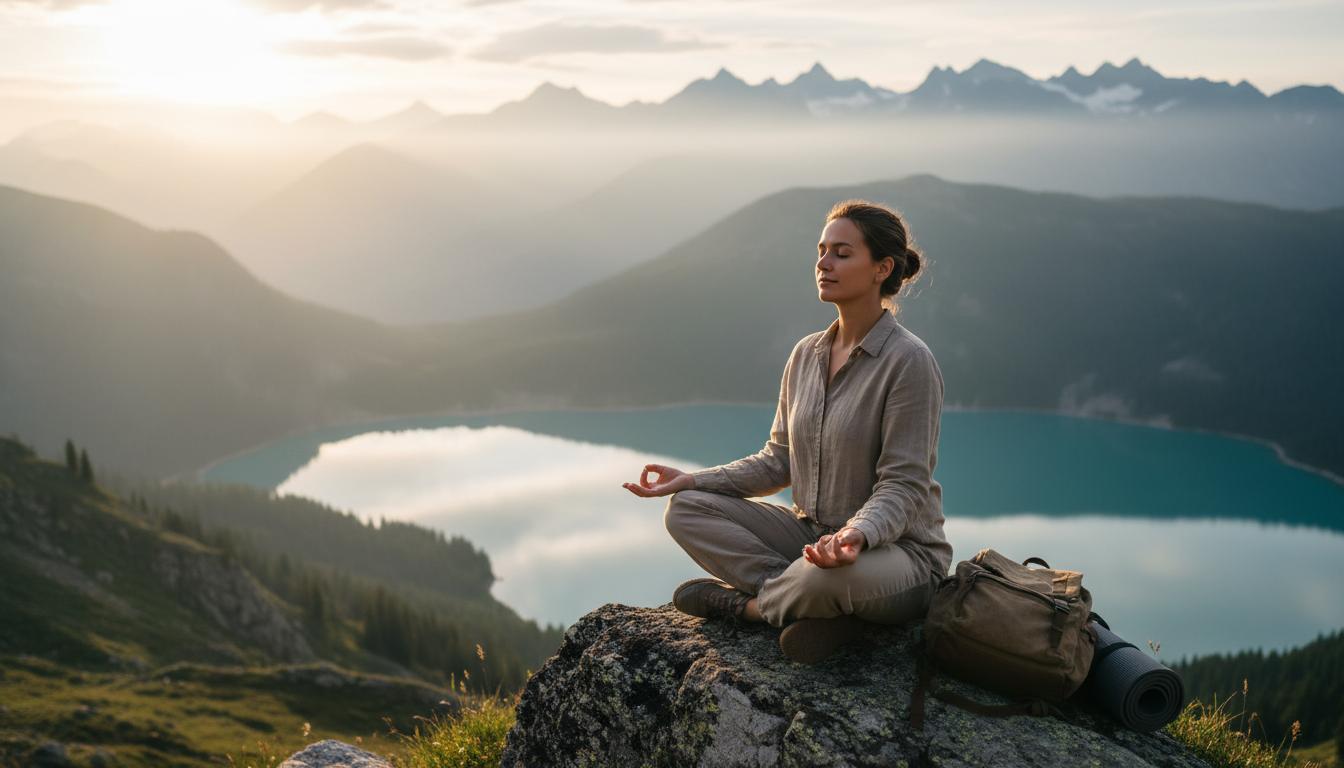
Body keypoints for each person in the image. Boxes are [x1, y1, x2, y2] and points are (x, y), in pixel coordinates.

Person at [622, 199, 952, 664]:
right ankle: (814, 608)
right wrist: (695, 480)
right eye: (821, 250)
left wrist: (856, 536)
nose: (823, 263)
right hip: (813, 535)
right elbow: (778, 460)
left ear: (882, 268)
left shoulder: (909, 362)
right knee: (686, 510)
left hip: (900, 554)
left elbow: (904, 484)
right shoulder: (806, 355)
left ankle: (753, 608)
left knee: (824, 578)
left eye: (841, 253)